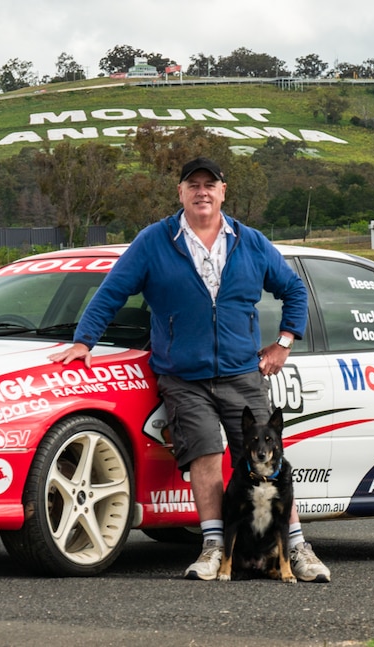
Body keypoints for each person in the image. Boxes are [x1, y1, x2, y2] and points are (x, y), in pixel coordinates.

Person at [48, 157, 330, 583]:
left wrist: (285, 342)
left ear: (223, 192)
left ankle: (296, 547)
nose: (202, 191)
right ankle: (214, 548)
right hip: (183, 375)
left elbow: (293, 289)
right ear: (180, 192)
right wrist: (84, 341)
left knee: (269, 461)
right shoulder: (153, 242)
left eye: (209, 184)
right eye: (192, 184)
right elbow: (111, 292)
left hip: (241, 371)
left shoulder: (250, 242)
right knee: (204, 455)